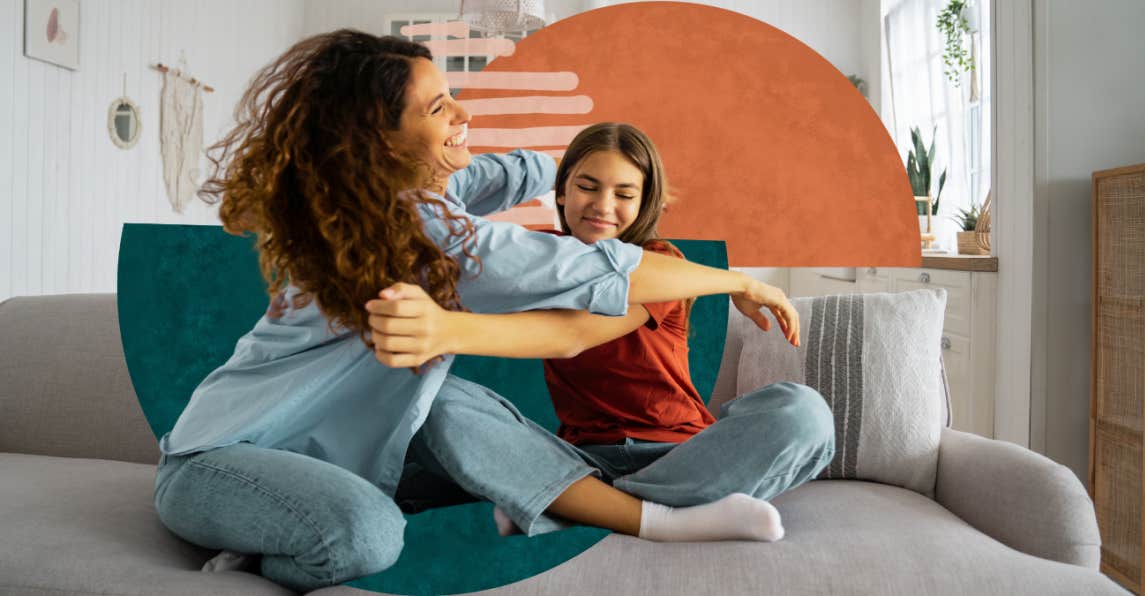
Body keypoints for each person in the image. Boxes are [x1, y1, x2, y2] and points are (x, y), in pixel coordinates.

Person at [153, 30, 801, 592]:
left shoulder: (389, 201)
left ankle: (581, 503)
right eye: (438, 106)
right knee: (369, 535)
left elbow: (490, 177)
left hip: (313, 465)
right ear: (381, 141)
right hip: (219, 462)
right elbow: (598, 276)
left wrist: (564, 173)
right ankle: (644, 517)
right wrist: (740, 280)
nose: (460, 110)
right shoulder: (416, 226)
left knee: (800, 414)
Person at [376, 124, 835, 541]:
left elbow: (571, 335)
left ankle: (581, 506)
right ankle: (625, 509)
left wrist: (742, 281)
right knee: (437, 404)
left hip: (682, 454)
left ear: (643, 203)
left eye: (624, 194)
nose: (602, 206)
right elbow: (440, 216)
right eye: (587, 186)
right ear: (561, 193)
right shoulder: (541, 257)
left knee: (804, 412)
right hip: (576, 460)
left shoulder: (661, 264)